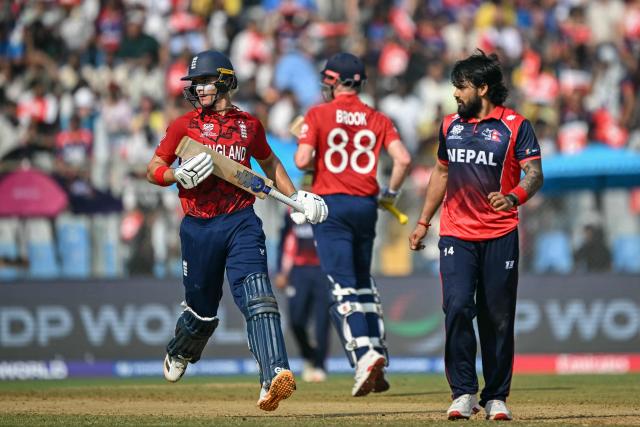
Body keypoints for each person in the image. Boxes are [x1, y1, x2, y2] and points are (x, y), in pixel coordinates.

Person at [145, 50, 328, 412]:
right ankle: (181, 348)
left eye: (204, 82)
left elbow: (269, 162)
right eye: (194, 84)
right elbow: (154, 167)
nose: (197, 90)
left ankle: (273, 375)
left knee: (259, 295)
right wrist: (175, 175)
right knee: (202, 312)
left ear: (225, 81)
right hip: (198, 226)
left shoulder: (250, 125)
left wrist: (297, 198)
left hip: (241, 220)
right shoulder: (184, 126)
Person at [409, 50, 544, 421]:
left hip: (500, 233)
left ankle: (497, 396)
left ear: (483, 88)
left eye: (461, 86)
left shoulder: (516, 125)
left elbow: (534, 174)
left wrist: (513, 196)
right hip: (455, 233)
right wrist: (423, 221)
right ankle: (463, 392)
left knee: (497, 316)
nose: (455, 93)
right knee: (456, 307)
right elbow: (440, 172)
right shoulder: (449, 125)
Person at [294, 52, 411, 397]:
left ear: (333, 81)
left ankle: (364, 356)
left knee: (342, 286)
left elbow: (302, 160)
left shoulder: (318, 114)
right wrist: (390, 195)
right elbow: (402, 159)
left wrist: (313, 147)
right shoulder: (377, 117)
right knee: (362, 284)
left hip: (331, 206)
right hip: (366, 205)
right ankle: (378, 356)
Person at [274, 172, 331, 383]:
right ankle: (309, 355)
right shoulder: (291, 210)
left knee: (322, 321)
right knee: (296, 320)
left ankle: (320, 365)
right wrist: (281, 270)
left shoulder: (325, 209)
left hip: (322, 271)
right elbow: (284, 242)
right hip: (298, 271)